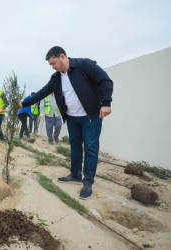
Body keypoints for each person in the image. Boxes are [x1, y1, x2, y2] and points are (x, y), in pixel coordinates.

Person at [20, 46, 113, 200]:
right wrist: (25, 103)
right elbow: (43, 92)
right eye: (50, 65)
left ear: (62, 56)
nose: (53, 66)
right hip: (72, 118)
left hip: (90, 116)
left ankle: (88, 182)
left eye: (53, 63)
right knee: (75, 145)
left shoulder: (84, 65)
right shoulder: (56, 78)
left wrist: (106, 102)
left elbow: (105, 81)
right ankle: (75, 174)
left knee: (90, 147)